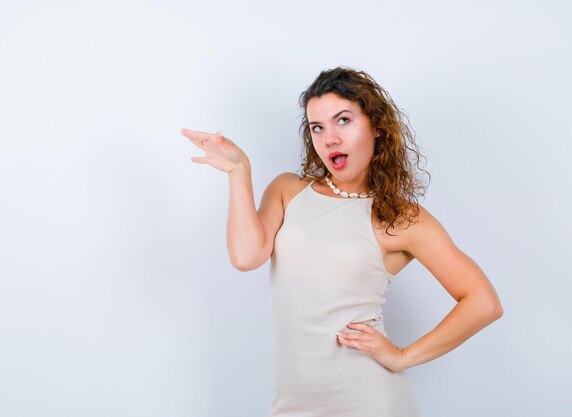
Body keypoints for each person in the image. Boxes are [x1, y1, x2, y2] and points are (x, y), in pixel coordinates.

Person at [180, 66, 503, 416]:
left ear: (376, 126)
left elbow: (483, 302)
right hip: (291, 403)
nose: (329, 138)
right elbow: (246, 256)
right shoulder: (289, 190)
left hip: (368, 401)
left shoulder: (399, 218)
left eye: (343, 121)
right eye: (318, 127)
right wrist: (238, 171)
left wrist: (401, 356)